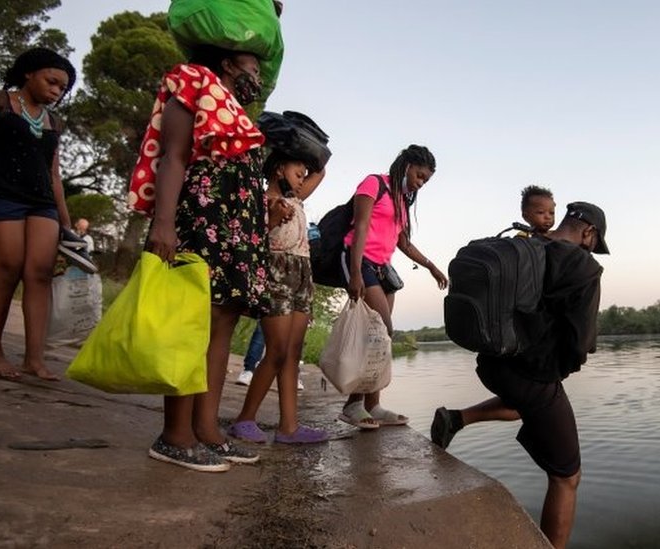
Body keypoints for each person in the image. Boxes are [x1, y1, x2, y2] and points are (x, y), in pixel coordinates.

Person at [430, 201, 610, 549]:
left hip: (492, 364)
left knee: (519, 406)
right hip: (533, 375)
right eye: (594, 243)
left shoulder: (525, 243)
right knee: (566, 477)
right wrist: (561, 369)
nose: (592, 250)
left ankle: (455, 419)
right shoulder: (583, 266)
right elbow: (581, 341)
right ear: (588, 232)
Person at [132, 45, 269, 472]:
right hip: (202, 216)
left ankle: (207, 430)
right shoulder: (193, 82)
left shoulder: (239, 112)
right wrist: (164, 223)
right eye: (253, 66)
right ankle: (174, 435)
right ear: (228, 63)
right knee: (194, 323)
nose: (259, 78)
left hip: (236, 227)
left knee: (222, 323)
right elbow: (173, 156)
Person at [0, 47, 89, 381]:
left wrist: (66, 224)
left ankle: (34, 359)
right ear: (29, 72)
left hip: (41, 203)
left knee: (39, 274)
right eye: (52, 82)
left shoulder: (53, 121)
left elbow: (54, 175)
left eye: (62, 89)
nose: (56, 91)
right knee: (6, 267)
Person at [338, 145, 448, 429]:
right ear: (407, 165)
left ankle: (373, 405)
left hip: (382, 268)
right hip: (360, 261)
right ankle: (352, 405)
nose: (420, 184)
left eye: (425, 180)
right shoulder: (373, 183)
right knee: (382, 329)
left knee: (380, 338)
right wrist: (354, 273)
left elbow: (403, 243)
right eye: (419, 176)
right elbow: (360, 227)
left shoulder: (402, 199)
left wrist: (431, 266)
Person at [228, 144, 327, 444]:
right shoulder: (263, 200)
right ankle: (244, 419)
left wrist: (305, 146)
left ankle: (289, 427)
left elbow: (321, 170)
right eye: (298, 172)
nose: (302, 179)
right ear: (279, 169)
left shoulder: (296, 199)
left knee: (293, 353)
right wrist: (272, 218)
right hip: (276, 274)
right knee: (278, 350)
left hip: (302, 275)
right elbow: (252, 241)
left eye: (303, 175)